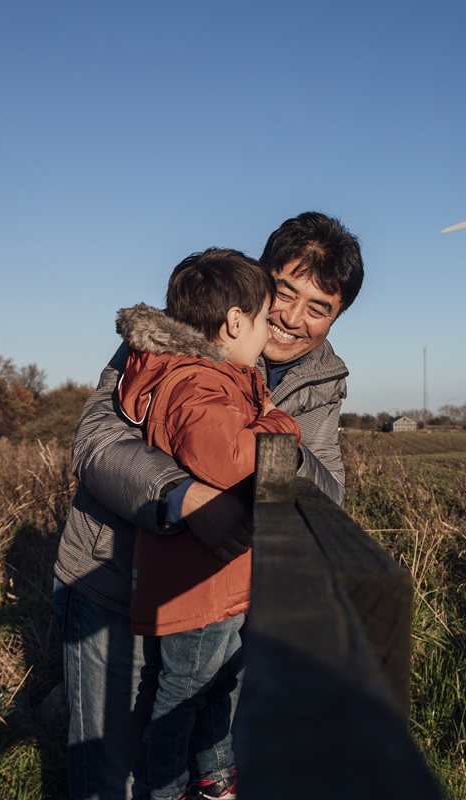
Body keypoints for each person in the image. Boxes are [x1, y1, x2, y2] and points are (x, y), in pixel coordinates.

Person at [53, 211, 364, 800]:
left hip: (222, 598)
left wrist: (277, 454)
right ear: (260, 278)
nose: (293, 318)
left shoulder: (323, 380)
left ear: (337, 315)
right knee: (110, 774)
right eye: (285, 291)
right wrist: (187, 499)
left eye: (319, 307)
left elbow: (325, 495)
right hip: (111, 585)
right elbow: (95, 445)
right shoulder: (174, 331)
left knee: (200, 736)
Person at [115, 248, 299, 800]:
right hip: (195, 586)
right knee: (185, 692)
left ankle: (215, 778)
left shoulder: (206, 378)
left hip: (213, 580)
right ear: (236, 321)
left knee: (217, 684)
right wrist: (279, 421)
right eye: (267, 318)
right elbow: (242, 461)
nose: (273, 331)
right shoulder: (199, 383)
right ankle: (171, 789)